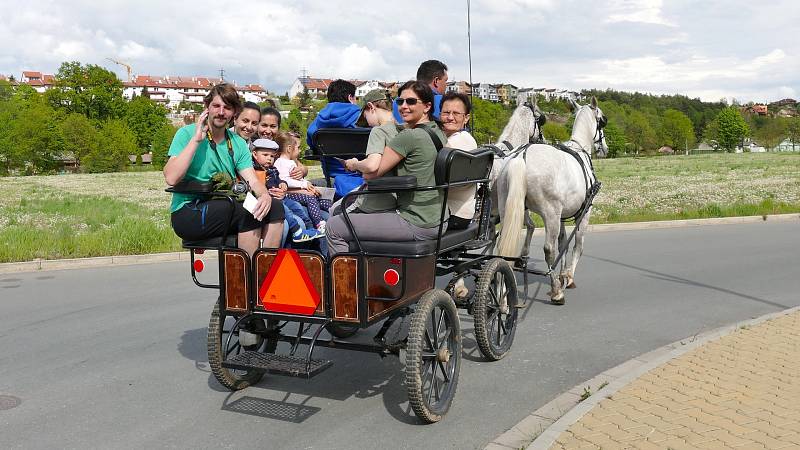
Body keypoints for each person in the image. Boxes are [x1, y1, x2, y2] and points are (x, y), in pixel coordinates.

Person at [327, 80, 447, 256]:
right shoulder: (437, 131)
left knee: (333, 227)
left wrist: (353, 164)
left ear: (427, 106)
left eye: (411, 101)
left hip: (415, 221)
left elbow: (371, 174)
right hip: (439, 216)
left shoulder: (408, 136)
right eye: (400, 102)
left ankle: (347, 282)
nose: (404, 106)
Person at [164, 83, 284, 257]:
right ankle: (247, 276)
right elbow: (171, 178)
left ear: (234, 112)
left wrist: (264, 195)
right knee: (246, 210)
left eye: (227, 108)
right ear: (207, 108)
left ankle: (265, 273)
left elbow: (253, 180)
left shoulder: (237, 143)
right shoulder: (186, 133)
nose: (221, 112)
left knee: (276, 208)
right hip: (188, 211)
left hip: (223, 205)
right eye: (216, 106)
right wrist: (196, 140)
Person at [251, 138, 323, 243]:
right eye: (265, 155)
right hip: (271, 199)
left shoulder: (272, 169)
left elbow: (279, 179)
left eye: (271, 156)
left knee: (297, 207)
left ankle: (309, 229)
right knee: (286, 210)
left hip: (281, 197)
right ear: (255, 154)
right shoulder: (254, 170)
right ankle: (297, 231)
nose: (269, 159)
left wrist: (283, 183)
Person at [341, 89, 400, 214]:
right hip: (396, 200)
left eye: (365, 115)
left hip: (374, 202)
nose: (367, 122)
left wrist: (354, 164)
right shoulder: (401, 129)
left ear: (371, 107)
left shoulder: (378, 131)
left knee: (334, 215)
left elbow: (371, 165)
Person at [305, 79, 363, 197]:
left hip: (332, 179)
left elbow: (313, 150)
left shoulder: (316, 125)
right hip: (364, 177)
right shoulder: (364, 119)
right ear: (350, 97)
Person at [275, 132, 331, 234]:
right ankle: (319, 223)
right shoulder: (280, 162)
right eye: (297, 148)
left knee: (325, 202)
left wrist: (308, 184)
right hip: (288, 195)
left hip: (299, 193)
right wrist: (304, 185)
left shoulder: (290, 161)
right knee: (310, 199)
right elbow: (284, 180)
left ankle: (335, 210)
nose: (300, 151)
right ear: (289, 149)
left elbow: (300, 177)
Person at [440, 91, 479, 230]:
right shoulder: (463, 138)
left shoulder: (457, 142)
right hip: (460, 212)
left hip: (451, 213)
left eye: (456, 113)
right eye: (446, 112)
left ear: (466, 118)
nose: (450, 117)